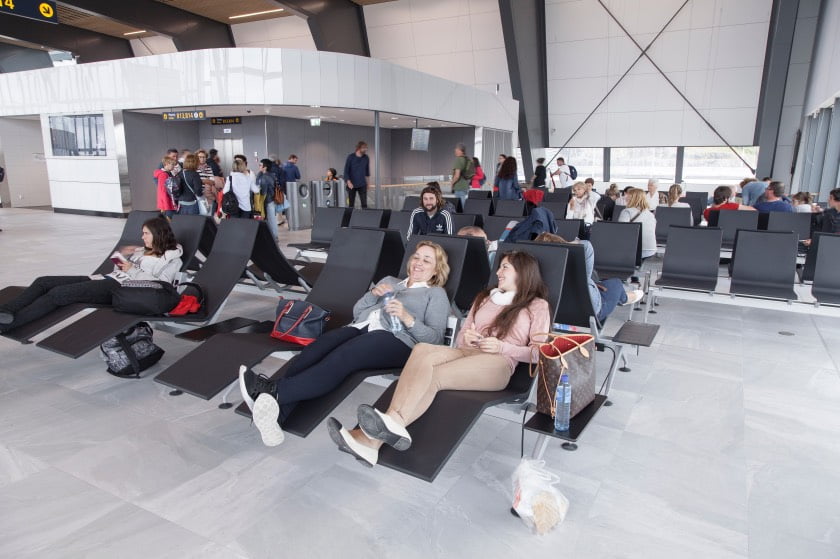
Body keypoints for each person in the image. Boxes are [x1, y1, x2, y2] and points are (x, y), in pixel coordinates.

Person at [326, 250, 551, 466]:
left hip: (499, 364)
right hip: (468, 352)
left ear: (522, 272)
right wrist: (469, 339)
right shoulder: (485, 298)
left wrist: (503, 347)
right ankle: (382, 433)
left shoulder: (537, 306)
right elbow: (462, 336)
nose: (499, 272)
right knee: (422, 349)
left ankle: (379, 432)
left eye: (505, 268)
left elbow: (539, 353)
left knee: (436, 375)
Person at [239, 241, 451, 447]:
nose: (418, 263)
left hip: (397, 341)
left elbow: (435, 339)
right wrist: (371, 295)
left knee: (344, 355)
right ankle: (277, 419)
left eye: (427, 260)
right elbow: (357, 312)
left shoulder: (435, 294)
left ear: (435, 270)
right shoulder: (390, 281)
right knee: (314, 351)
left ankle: (272, 392)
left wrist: (407, 318)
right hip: (360, 328)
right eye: (416, 257)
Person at [0, 217, 183, 333]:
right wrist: (121, 256)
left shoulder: (173, 259)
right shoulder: (144, 249)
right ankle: (6, 310)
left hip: (121, 290)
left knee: (58, 294)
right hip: (108, 279)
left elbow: (162, 286)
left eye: (146, 234)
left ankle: (9, 324)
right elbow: (120, 267)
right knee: (44, 281)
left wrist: (132, 270)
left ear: (158, 235)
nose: (142, 237)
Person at [535, 232, 643, 322]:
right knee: (616, 283)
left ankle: (622, 297)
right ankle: (625, 298)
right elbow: (586, 245)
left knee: (602, 285)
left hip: (557, 313)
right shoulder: (576, 269)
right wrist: (568, 244)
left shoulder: (535, 271)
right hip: (591, 310)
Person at [618, 188, 657, 258]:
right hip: (651, 250)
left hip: (636, 250)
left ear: (633, 198)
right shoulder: (650, 214)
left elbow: (621, 232)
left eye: (628, 195)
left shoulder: (627, 212)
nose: (625, 197)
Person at [344, 141, 370, 209]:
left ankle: (365, 218)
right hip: (352, 185)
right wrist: (348, 182)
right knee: (351, 204)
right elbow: (346, 171)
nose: (366, 149)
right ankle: (350, 218)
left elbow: (367, 172)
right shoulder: (350, 157)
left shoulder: (366, 158)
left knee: (364, 204)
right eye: (364, 148)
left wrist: (368, 183)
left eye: (366, 148)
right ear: (359, 148)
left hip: (362, 184)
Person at [257, 159, 279, 241]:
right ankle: (274, 236)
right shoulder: (271, 175)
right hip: (272, 200)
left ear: (265, 167)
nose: (259, 166)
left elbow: (263, 191)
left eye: (260, 165)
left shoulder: (265, 177)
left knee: (271, 219)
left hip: (268, 200)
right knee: (271, 218)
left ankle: (274, 237)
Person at [450, 143, 472, 207]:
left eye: (456, 148)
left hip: (459, 186)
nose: (455, 150)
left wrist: (452, 183)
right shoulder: (466, 159)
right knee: (463, 205)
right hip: (465, 185)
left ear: (460, 150)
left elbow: (457, 176)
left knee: (460, 207)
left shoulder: (459, 159)